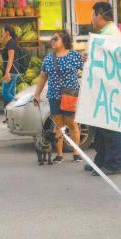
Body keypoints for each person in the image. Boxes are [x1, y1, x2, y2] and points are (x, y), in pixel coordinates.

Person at [84, 1, 121, 176]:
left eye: (93, 15)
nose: (91, 19)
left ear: (100, 15)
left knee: (110, 127)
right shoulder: (104, 33)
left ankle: (114, 163)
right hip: (102, 87)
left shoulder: (110, 34)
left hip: (110, 87)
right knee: (101, 127)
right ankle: (101, 160)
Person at [33, 30, 82, 164]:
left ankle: (76, 153)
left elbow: (87, 71)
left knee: (72, 124)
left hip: (70, 95)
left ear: (64, 41)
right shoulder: (48, 58)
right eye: (52, 39)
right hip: (54, 95)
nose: (52, 41)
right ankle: (59, 155)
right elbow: (43, 77)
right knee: (58, 125)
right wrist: (37, 94)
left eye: (56, 39)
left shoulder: (74, 56)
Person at [1, 26, 23, 107]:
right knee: (12, 93)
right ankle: (14, 115)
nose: (2, 34)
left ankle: (20, 105)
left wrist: (7, 72)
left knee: (5, 93)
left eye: (2, 32)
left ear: (7, 33)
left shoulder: (11, 43)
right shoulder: (10, 42)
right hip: (13, 70)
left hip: (11, 71)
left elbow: (11, 58)